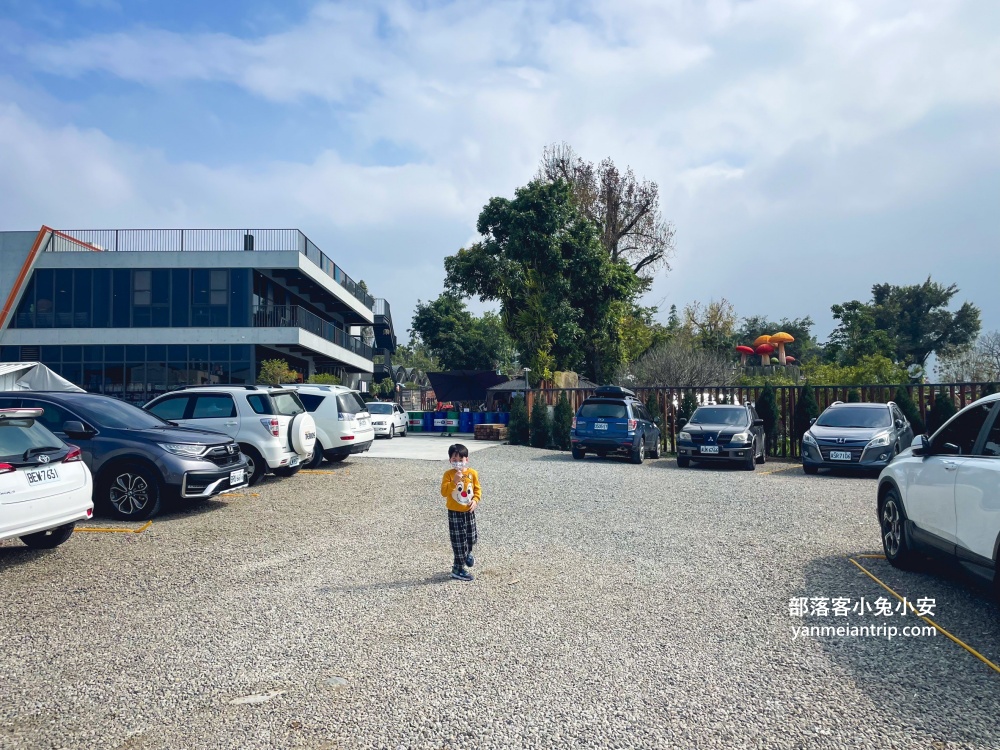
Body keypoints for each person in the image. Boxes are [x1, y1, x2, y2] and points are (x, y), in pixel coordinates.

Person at [440, 443, 481, 582]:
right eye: (454, 459)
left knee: (472, 537)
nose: (458, 463)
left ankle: (467, 553)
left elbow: (477, 490)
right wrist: (454, 481)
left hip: (468, 512)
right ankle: (458, 568)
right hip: (454, 513)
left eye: (460, 460)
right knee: (458, 541)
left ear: (466, 460)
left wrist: (475, 500)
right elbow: (444, 492)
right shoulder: (449, 475)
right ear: (450, 460)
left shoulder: (472, 473)